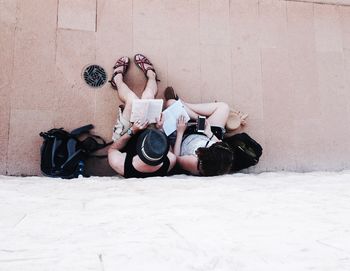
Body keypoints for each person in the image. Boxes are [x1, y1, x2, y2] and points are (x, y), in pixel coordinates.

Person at [107, 55, 176, 178]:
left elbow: (112, 149)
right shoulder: (169, 161)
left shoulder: (121, 164)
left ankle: (117, 79)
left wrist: (132, 131)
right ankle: (152, 76)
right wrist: (160, 130)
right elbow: (170, 152)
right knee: (148, 98)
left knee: (132, 100)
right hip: (153, 134)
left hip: (127, 136)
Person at [164, 87, 234, 176]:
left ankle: (181, 105)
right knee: (224, 107)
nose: (218, 142)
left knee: (170, 103)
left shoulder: (196, 163)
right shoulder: (222, 155)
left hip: (182, 138)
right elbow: (218, 142)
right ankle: (187, 107)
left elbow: (176, 158)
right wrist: (208, 132)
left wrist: (180, 132)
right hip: (201, 133)